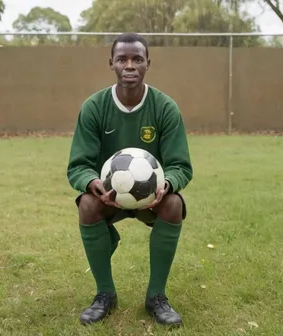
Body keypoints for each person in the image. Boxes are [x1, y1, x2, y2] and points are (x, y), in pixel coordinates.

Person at [66, 32, 193, 327]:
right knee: (86, 205)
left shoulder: (164, 108)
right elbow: (78, 166)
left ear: (148, 63)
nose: (130, 65)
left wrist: (167, 184)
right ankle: (105, 295)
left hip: (153, 198)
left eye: (137, 59)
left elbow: (181, 166)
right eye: (122, 59)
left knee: (174, 205)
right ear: (111, 63)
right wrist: (93, 184)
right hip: (108, 197)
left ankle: (156, 298)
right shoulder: (94, 107)